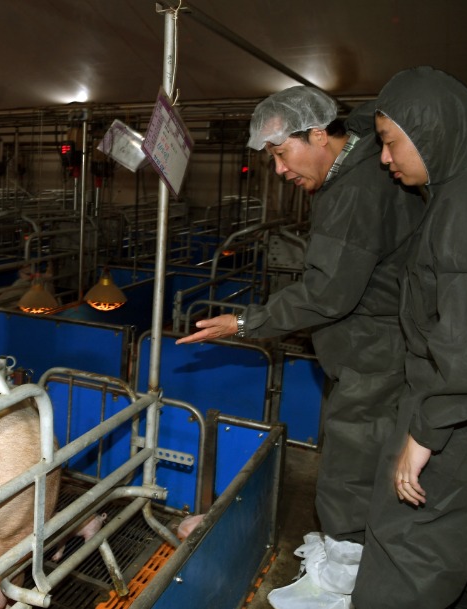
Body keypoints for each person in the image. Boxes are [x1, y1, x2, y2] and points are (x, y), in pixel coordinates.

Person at [177, 86, 424, 547]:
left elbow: (328, 292)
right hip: (370, 349)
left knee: (351, 468)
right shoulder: (357, 173)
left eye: (281, 153)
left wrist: (245, 323)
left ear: (317, 135)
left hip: (375, 354)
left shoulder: (356, 191)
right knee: (360, 458)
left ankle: (344, 571)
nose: (279, 169)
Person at [353, 66, 467, 609]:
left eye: (390, 143)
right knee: (466, 556)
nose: (385, 159)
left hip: (461, 422)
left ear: (429, 131)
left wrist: (426, 433)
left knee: (404, 554)